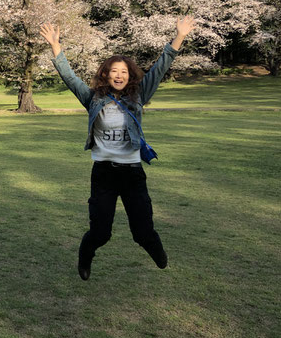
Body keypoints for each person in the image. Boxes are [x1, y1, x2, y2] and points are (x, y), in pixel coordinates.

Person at [39, 16, 196, 280]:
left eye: (123, 71)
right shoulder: (93, 99)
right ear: (106, 74)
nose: (119, 75)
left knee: (143, 232)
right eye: (114, 71)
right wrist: (56, 47)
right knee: (100, 232)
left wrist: (178, 37)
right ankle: (85, 256)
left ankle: (156, 250)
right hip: (104, 174)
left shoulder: (139, 96)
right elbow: (69, 77)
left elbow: (160, 67)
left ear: (130, 75)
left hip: (132, 173)